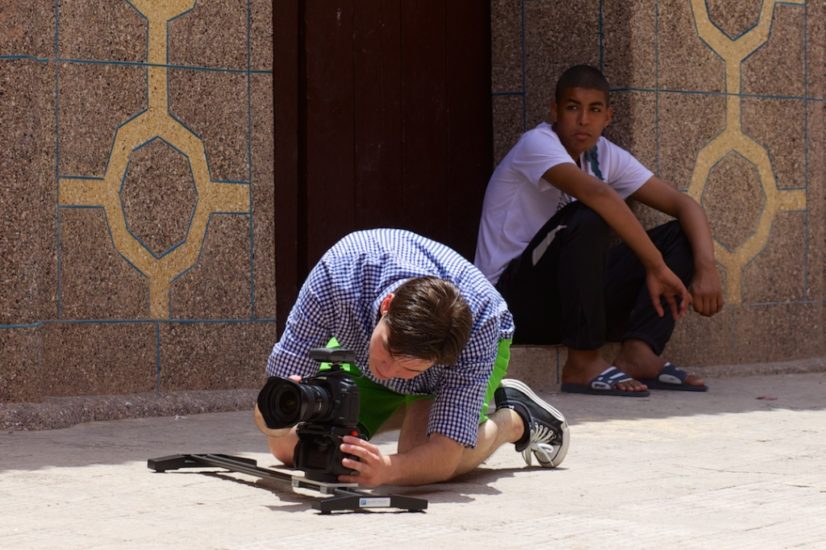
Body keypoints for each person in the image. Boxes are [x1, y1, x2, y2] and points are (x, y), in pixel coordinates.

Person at [474, 64, 724, 397]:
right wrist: (656, 267)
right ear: (555, 111)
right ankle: (582, 362)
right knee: (588, 214)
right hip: (511, 302)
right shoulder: (536, 144)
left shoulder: (604, 155)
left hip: (568, 301)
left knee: (680, 235)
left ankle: (639, 351)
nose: (583, 120)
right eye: (572, 108)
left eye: (594, 110)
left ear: (608, 117)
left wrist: (706, 266)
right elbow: (598, 195)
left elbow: (684, 204)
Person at [255, 228, 569, 487]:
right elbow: (270, 401)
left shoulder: (478, 328)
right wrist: (281, 412)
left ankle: (513, 419)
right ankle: (411, 410)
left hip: (482, 332)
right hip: (358, 341)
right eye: (388, 350)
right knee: (289, 446)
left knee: (418, 461)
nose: (388, 372)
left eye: (409, 368)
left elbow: (443, 458)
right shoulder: (336, 277)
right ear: (387, 305)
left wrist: (387, 469)